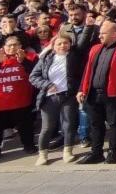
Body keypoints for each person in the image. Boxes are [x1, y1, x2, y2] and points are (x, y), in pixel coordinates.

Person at [76, 21, 116, 164]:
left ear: (114, 34)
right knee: (96, 123)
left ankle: (113, 151)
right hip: (93, 92)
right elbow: (87, 70)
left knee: (114, 123)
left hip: (113, 93)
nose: (100, 36)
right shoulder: (95, 48)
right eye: (100, 33)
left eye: (103, 33)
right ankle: (96, 152)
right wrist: (82, 89)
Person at [0, 36, 38, 162]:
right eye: (9, 45)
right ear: (3, 47)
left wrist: (23, 61)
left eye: (16, 45)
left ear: (20, 46)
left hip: (20, 102)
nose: (13, 47)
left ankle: (29, 146)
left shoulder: (30, 57)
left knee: (25, 128)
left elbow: (36, 72)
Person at [30, 33, 82, 165]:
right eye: (59, 43)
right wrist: (47, 85)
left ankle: (68, 151)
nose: (63, 46)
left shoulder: (75, 57)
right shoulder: (46, 59)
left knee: (68, 125)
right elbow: (33, 76)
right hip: (49, 97)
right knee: (47, 127)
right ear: (53, 46)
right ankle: (43, 154)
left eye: (66, 43)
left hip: (68, 96)